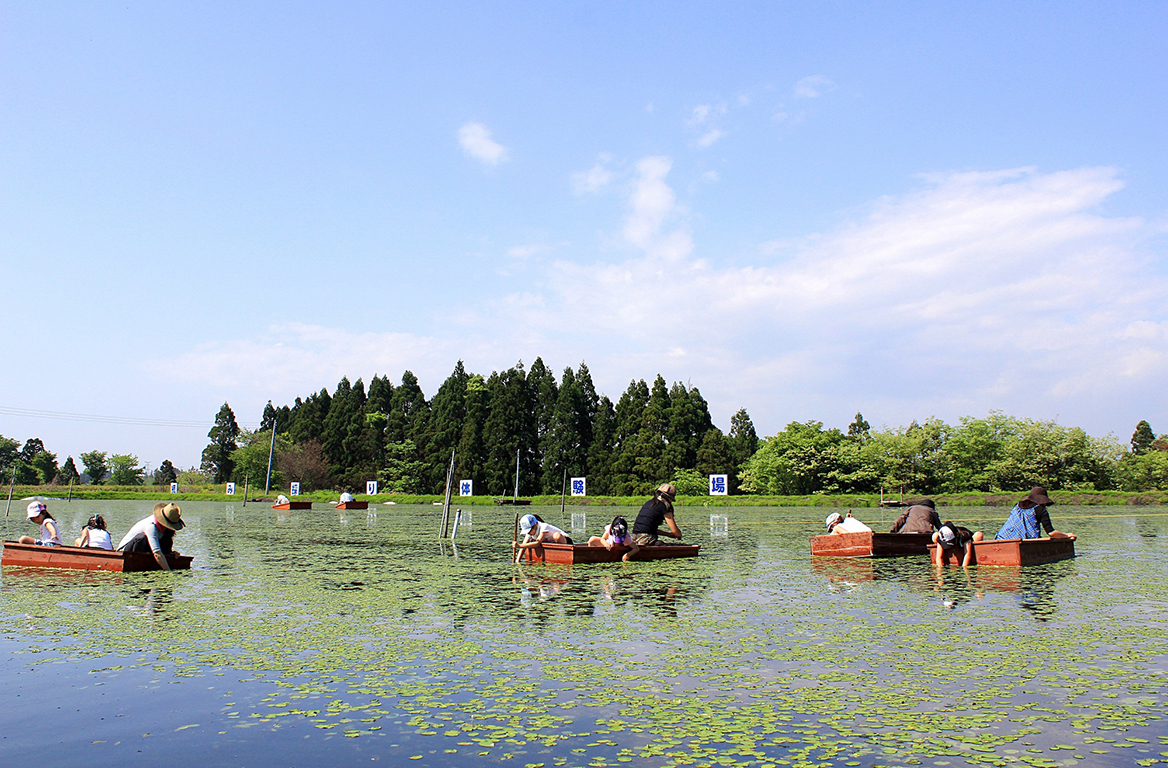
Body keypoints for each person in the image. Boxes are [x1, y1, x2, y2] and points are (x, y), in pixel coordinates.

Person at [117, 502, 185, 571]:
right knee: (142, 538)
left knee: (167, 539)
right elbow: (157, 553)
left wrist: (170, 553)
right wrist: (168, 571)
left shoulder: (166, 531)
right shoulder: (151, 526)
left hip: (146, 551)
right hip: (126, 552)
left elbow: (161, 548)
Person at [996, 486, 1073, 540]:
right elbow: (1051, 533)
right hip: (1024, 542)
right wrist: (1067, 535)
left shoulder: (1017, 505)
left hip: (1002, 538)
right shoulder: (1040, 509)